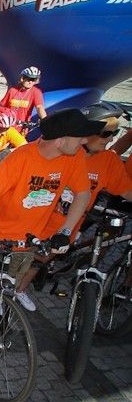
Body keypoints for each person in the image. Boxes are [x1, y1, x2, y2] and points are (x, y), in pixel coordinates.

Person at [0, 109, 103, 324]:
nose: (86, 141)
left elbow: (83, 193)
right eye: (80, 137)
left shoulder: (74, 156)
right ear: (60, 140)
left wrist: (66, 231)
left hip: (30, 238)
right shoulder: (21, 157)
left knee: (12, 278)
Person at [13, 102, 132, 310]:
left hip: (65, 227)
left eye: (114, 133)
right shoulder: (61, 151)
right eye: (106, 134)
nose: (111, 139)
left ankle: (18, 291)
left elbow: (126, 191)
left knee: (38, 261)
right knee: (20, 262)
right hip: (33, 222)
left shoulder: (108, 161)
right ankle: (5, 294)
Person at [0, 66, 47, 133]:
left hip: (21, 128)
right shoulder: (13, 90)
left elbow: (39, 107)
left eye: (33, 80)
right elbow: (1, 106)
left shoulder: (36, 92)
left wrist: (45, 121)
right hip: (6, 126)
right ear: (22, 78)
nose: (30, 82)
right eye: (28, 79)